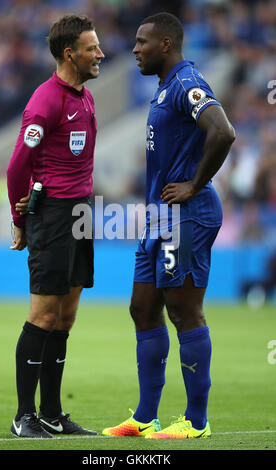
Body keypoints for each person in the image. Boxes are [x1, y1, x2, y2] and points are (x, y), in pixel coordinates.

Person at [102, 12, 235, 439]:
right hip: (158, 217)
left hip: (186, 215)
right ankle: (145, 417)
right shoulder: (164, 89)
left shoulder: (185, 83)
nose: (134, 49)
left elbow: (223, 131)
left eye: (142, 41)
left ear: (165, 44)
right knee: (142, 308)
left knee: (183, 311)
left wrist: (196, 185)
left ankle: (197, 422)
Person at [7, 15, 104, 438]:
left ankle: (51, 414)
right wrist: (19, 218)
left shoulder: (85, 97)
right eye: (92, 48)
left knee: (65, 318)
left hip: (81, 212)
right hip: (53, 215)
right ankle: (22, 417)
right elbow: (16, 166)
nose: (100, 54)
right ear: (70, 54)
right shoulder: (46, 100)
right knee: (43, 315)